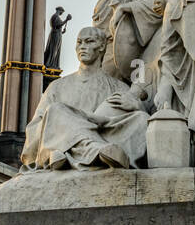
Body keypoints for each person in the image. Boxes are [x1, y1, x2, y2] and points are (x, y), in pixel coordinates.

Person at [21, 25, 150, 171]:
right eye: (79, 42)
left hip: (105, 136)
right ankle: (89, 149)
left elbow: (136, 119)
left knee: (141, 118)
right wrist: (75, 122)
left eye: (89, 42)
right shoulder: (57, 87)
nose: (82, 46)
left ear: (102, 47)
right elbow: (36, 128)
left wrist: (136, 105)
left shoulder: (118, 87)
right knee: (55, 110)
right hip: (74, 141)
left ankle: (76, 153)